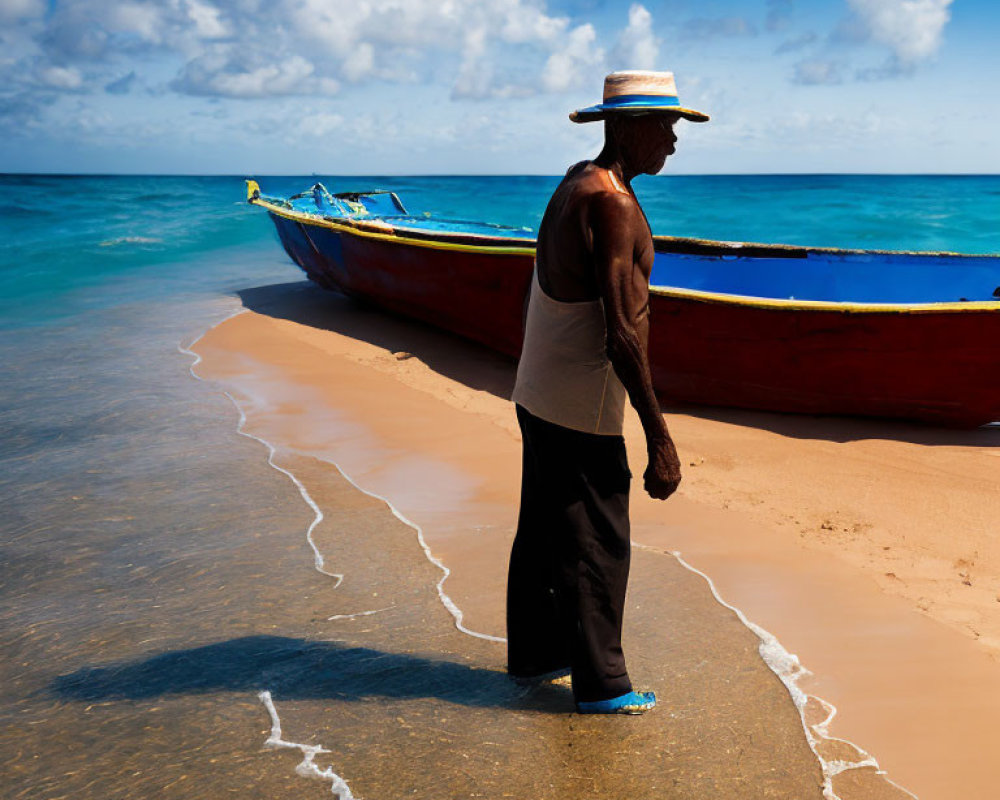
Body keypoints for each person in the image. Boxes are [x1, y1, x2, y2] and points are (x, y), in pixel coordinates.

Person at [507, 71, 709, 714]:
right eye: (666, 125)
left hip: (537, 385)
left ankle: (539, 654)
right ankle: (603, 685)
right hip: (578, 398)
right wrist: (661, 439)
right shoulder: (614, 203)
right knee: (598, 536)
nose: (675, 141)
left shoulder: (579, 179)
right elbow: (622, 334)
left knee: (543, 526)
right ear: (624, 127)